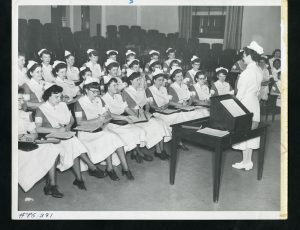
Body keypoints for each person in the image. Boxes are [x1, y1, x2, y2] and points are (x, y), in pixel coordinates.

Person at [35, 85, 107, 190]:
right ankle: (89, 170)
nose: (59, 99)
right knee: (73, 143)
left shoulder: (63, 105)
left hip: (64, 135)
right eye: (56, 97)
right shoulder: (41, 109)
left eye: (60, 96)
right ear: (48, 97)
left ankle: (80, 178)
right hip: (50, 138)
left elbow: (72, 120)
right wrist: (56, 130)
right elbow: (38, 128)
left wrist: (68, 127)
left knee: (72, 143)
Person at [74, 79, 134, 180]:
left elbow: (107, 114)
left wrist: (105, 118)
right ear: (86, 90)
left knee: (116, 139)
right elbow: (79, 122)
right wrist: (97, 119)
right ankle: (110, 168)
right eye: (93, 91)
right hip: (86, 133)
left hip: (99, 129)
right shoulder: (79, 103)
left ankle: (125, 168)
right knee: (109, 137)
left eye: (97, 91)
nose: (96, 94)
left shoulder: (99, 100)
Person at [18, 87, 63, 198]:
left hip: (24, 143)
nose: (22, 102)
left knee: (52, 148)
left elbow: (34, 133)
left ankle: (51, 185)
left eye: (22, 99)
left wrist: (26, 138)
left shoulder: (23, 115)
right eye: (19, 99)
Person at [102, 77, 153, 163]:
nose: (116, 87)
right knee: (130, 133)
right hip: (112, 123)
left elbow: (126, 109)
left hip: (123, 120)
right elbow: (109, 115)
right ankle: (138, 152)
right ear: (108, 87)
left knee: (139, 129)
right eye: (114, 85)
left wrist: (136, 116)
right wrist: (125, 118)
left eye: (117, 85)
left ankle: (135, 152)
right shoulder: (103, 99)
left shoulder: (118, 96)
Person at [122, 70, 171, 160]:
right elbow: (130, 109)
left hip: (143, 114)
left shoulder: (141, 90)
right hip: (133, 116)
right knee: (154, 125)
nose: (140, 82)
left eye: (140, 80)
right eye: (137, 80)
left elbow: (146, 104)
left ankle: (160, 150)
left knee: (160, 122)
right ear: (131, 81)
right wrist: (142, 116)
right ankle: (158, 150)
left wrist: (146, 112)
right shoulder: (126, 91)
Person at [232, 41, 264, 171]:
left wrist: (233, 106)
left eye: (244, 55)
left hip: (245, 103)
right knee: (250, 133)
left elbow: (240, 94)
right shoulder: (259, 70)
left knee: (243, 132)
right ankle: (247, 161)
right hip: (254, 103)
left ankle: (246, 161)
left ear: (249, 55)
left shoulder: (246, 72)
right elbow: (257, 91)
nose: (242, 57)